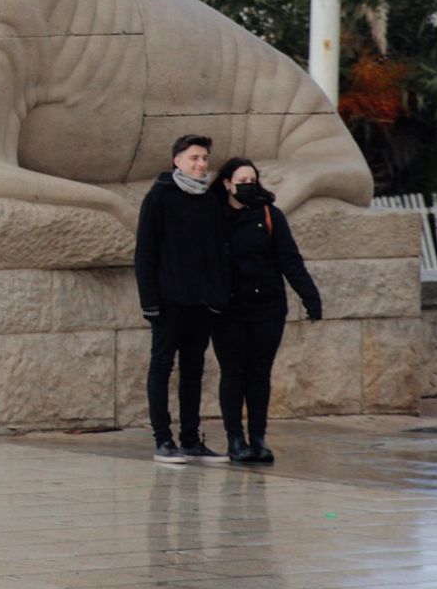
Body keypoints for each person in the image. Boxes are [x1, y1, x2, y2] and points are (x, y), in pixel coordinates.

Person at [210, 158, 322, 464]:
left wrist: (310, 296)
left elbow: (290, 260)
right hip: (227, 309)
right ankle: (235, 439)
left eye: (252, 180)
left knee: (259, 374)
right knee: (234, 373)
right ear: (227, 184)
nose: (248, 185)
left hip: (267, 307)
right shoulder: (212, 217)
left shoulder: (270, 215)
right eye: (241, 180)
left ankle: (258, 437)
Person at [134, 134, 230, 465]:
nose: (201, 164)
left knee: (194, 369)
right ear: (177, 160)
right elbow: (145, 252)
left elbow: (219, 252)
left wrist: (218, 296)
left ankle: (190, 439)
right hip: (168, 300)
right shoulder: (159, 197)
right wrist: (149, 301)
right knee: (162, 366)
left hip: (202, 302)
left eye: (204, 158)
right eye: (194, 158)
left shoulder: (211, 200)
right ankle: (163, 440)